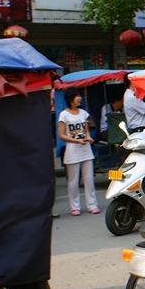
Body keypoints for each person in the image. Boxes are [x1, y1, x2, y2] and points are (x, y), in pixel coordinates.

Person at [58, 87, 100, 216]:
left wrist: (89, 138)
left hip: (85, 149)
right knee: (73, 181)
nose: (80, 98)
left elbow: (86, 131)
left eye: (80, 96)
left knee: (89, 179)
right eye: (77, 96)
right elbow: (61, 135)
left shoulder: (83, 113)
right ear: (70, 99)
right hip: (72, 150)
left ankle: (92, 205)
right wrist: (76, 141)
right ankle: (75, 206)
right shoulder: (64, 115)